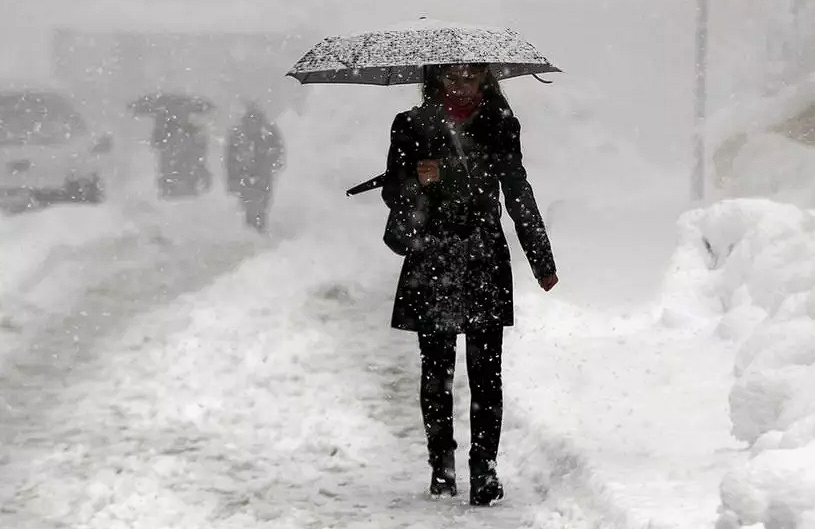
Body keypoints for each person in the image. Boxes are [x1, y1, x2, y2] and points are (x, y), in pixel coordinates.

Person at [381, 63, 559, 506]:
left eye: (471, 75)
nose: (462, 83)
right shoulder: (411, 125)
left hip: (483, 256)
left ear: (485, 79)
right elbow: (393, 191)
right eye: (452, 75)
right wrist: (419, 183)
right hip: (432, 255)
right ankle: (441, 465)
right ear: (436, 79)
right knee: (436, 372)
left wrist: (541, 257)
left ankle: (484, 470)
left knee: (486, 375)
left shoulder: (500, 124)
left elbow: (517, 189)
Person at [226, 102, 285, 231]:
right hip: (251, 176)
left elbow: (230, 158)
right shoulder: (264, 132)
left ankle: (254, 231)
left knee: (257, 207)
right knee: (255, 207)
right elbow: (231, 158)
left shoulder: (265, 133)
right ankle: (254, 231)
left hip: (257, 176)